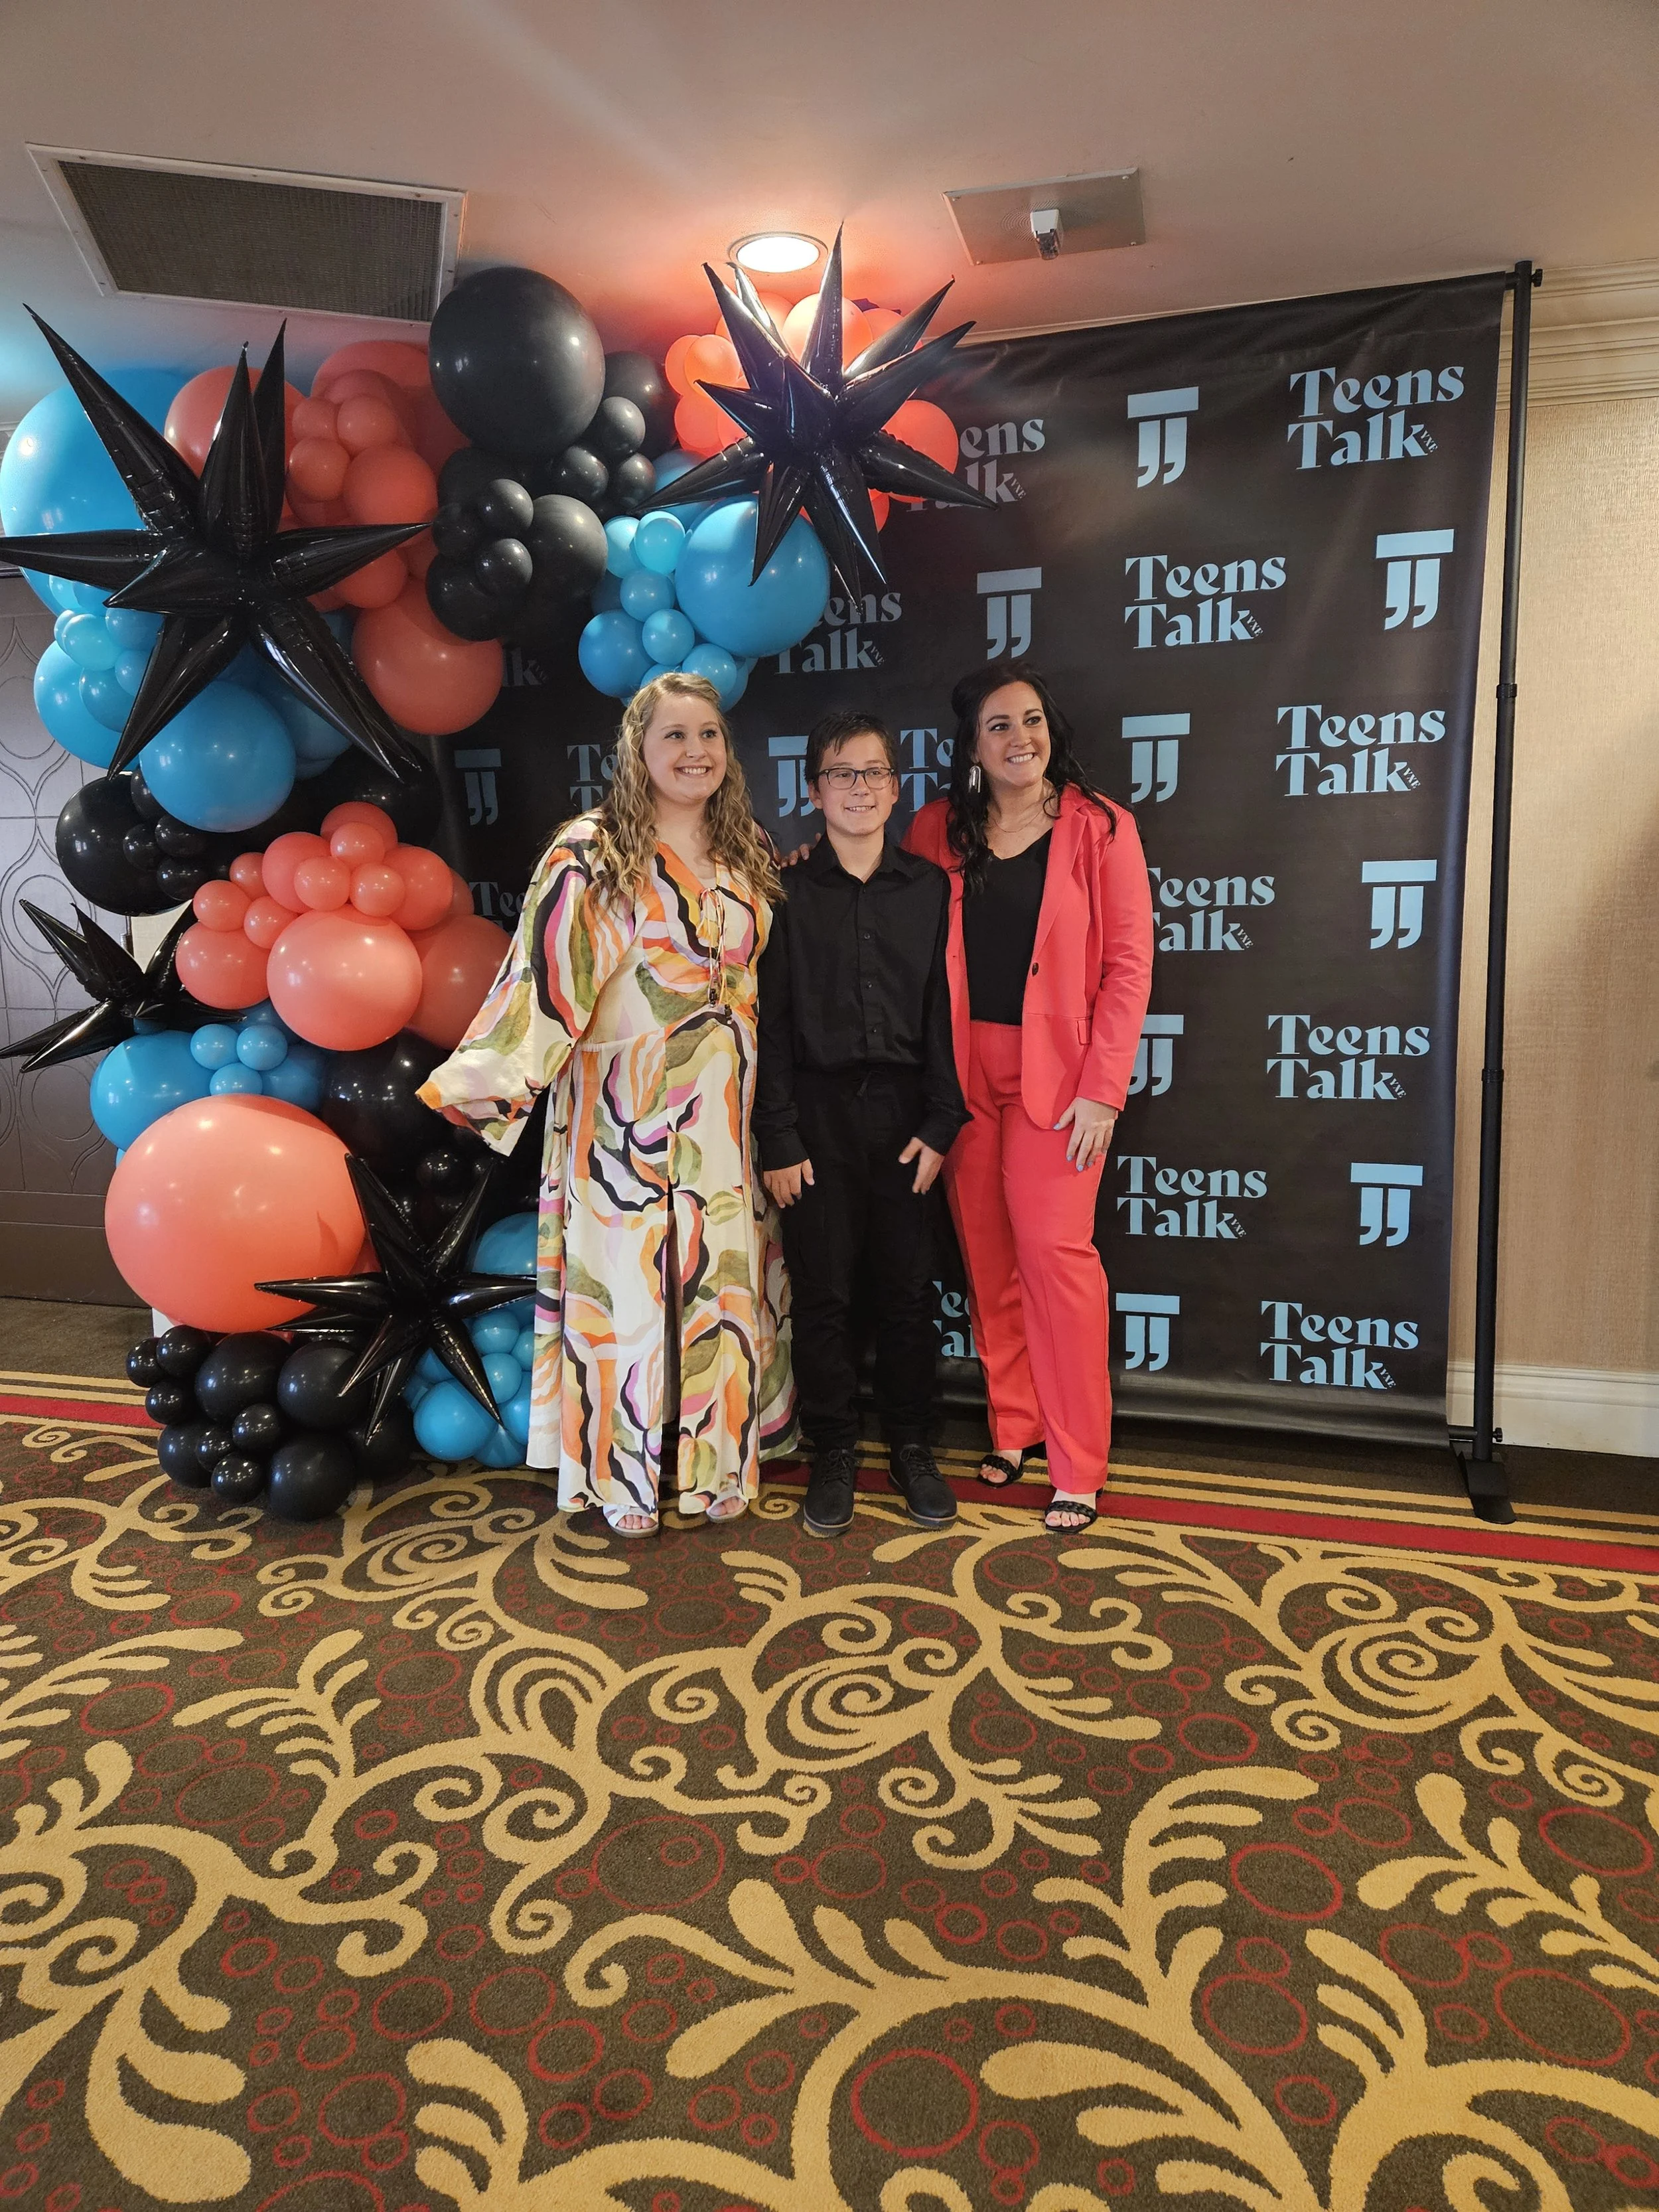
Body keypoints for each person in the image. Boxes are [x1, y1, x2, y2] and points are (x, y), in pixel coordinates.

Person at [418, 672, 794, 1536]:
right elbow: (543, 981)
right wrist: (486, 1084)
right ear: (638, 749)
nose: (694, 752)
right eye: (675, 736)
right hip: (617, 1120)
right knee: (620, 1304)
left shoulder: (745, 855)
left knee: (719, 1293)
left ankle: (714, 1470)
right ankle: (620, 1482)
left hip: (718, 1123)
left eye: (708, 736)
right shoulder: (588, 852)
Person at [904, 662, 1153, 1535]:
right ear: (972, 745)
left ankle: (1077, 1460)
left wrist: (1103, 1093)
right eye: (1000, 726)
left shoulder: (1102, 830)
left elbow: (1128, 969)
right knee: (987, 1255)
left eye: (1033, 720)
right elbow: (881, 911)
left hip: (1064, 1083)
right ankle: (1015, 1423)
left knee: (1058, 1257)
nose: (1021, 739)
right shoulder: (936, 829)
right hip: (963, 1077)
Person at [757, 709, 966, 1539]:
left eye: (873, 773)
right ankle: (834, 1448)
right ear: (814, 791)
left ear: (895, 787)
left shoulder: (929, 889)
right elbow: (769, 1022)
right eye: (841, 774)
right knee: (826, 1295)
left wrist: (944, 1119)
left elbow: (944, 1009)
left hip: (910, 1116)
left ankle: (913, 1444)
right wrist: (777, 1133)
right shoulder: (784, 891)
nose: (858, 789)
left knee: (910, 1294)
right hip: (814, 1117)